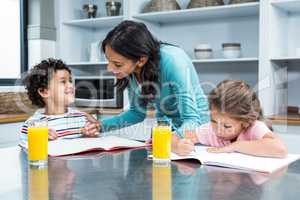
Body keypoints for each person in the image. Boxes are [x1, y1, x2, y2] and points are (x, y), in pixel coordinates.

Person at [99, 20, 209, 136]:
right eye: (108, 61)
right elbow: (136, 113)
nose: (109, 68)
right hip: (166, 128)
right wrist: (99, 126)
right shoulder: (131, 70)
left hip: (197, 132)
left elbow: (191, 119)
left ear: (141, 60)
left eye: (117, 64)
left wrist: (168, 140)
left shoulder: (173, 60)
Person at [172, 80, 288, 158]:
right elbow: (171, 138)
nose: (218, 130)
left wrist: (234, 147)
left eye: (227, 126)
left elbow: (280, 149)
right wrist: (177, 146)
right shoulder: (209, 131)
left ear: (245, 122)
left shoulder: (255, 128)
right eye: (213, 121)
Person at [20, 58, 99, 146]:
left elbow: (93, 146)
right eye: (63, 82)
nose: (71, 85)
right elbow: (25, 153)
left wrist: (89, 136)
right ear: (44, 92)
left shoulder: (82, 118)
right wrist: (39, 141)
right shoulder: (32, 125)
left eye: (70, 81)